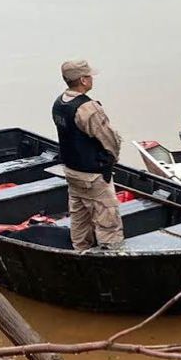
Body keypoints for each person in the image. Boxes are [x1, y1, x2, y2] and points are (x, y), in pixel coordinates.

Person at [52, 60, 125, 252]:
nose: (92, 79)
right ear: (83, 80)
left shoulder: (59, 103)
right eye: (90, 76)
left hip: (71, 171)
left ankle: (80, 252)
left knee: (79, 218)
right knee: (107, 219)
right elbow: (110, 140)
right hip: (93, 175)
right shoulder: (88, 108)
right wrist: (111, 160)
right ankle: (112, 255)